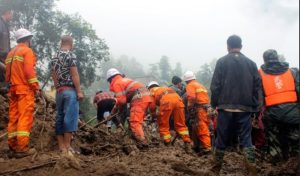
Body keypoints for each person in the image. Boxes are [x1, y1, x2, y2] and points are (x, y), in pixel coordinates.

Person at [210, 35, 260, 175]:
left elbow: (215, 86)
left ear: (227, 46)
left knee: (221, 138)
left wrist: (214, 104)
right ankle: (252, 170)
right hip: (245, 108)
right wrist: (255, 107)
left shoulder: (221, 62)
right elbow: (257, 87)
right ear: (241, 46)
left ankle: (215, 170)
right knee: (246, 138)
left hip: (225, 107)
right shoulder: (251, 63)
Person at [259, 49, 299, 162]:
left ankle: (278, 166)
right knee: (296, 143)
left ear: (264, 60)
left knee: (274, 142)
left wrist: (257, 114)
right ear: (277, 58)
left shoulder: (260, 74)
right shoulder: (293, 72)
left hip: (272, 115)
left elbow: (258, 98)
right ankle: (295, 164)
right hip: (293, 114)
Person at [5, 28, 39, 157]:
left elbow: (7, 75)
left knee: (14, 117)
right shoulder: (27, 51)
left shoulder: (11, 53)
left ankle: (12, 146)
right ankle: (22, 148)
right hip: (24, 90)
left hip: (13, 89)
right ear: (28, 39)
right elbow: (29, 71)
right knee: (24, 117)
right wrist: (36, 87)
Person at [51, 35, 84, 156]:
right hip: (70, 90)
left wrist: (57, 87)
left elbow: (53, 74)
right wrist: (79, 91)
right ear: (71, 43)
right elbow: (74, 74)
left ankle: (61, 147)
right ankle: (67, 146)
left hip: (60, 91)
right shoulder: (71, 55)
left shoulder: (54, 56)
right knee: (70, 117)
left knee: (59, 117)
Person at [107, 68, 152, 145]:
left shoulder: (116, 83)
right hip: (145, 97)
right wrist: (113, 113)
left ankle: (143, 143)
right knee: (136, 121)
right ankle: (138, 140)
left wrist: (114, 110)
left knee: (135, 122)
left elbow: (121, 101)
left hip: (139, 98)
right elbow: (121, 101)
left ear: (110, 79)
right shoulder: (124, 80)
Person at [147, 81, 192, 152]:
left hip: (167, 101)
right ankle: (187, 143)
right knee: (181, 124)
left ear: (149, 87)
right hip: (178, 100)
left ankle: (167, 143)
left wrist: (153, 116)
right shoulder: (163, 88)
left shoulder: (151, 91)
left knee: (163, 124)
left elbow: (152, 106)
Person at [183, 71, 212, 154]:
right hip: (206, 108)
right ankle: (197, 146)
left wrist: (190, 107)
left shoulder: (190, 85)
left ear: (186, 80)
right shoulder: (200, 85)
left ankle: (207, 147)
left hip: (200, 109)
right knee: (199, 127)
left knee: (202, 127)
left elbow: (191, 97)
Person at [0, 4, 13, 89]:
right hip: (1, 55)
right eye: (11, 14)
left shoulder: (5, 25)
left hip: (4, 56)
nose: (12, 17)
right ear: (7, 13)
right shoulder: (0, 24)